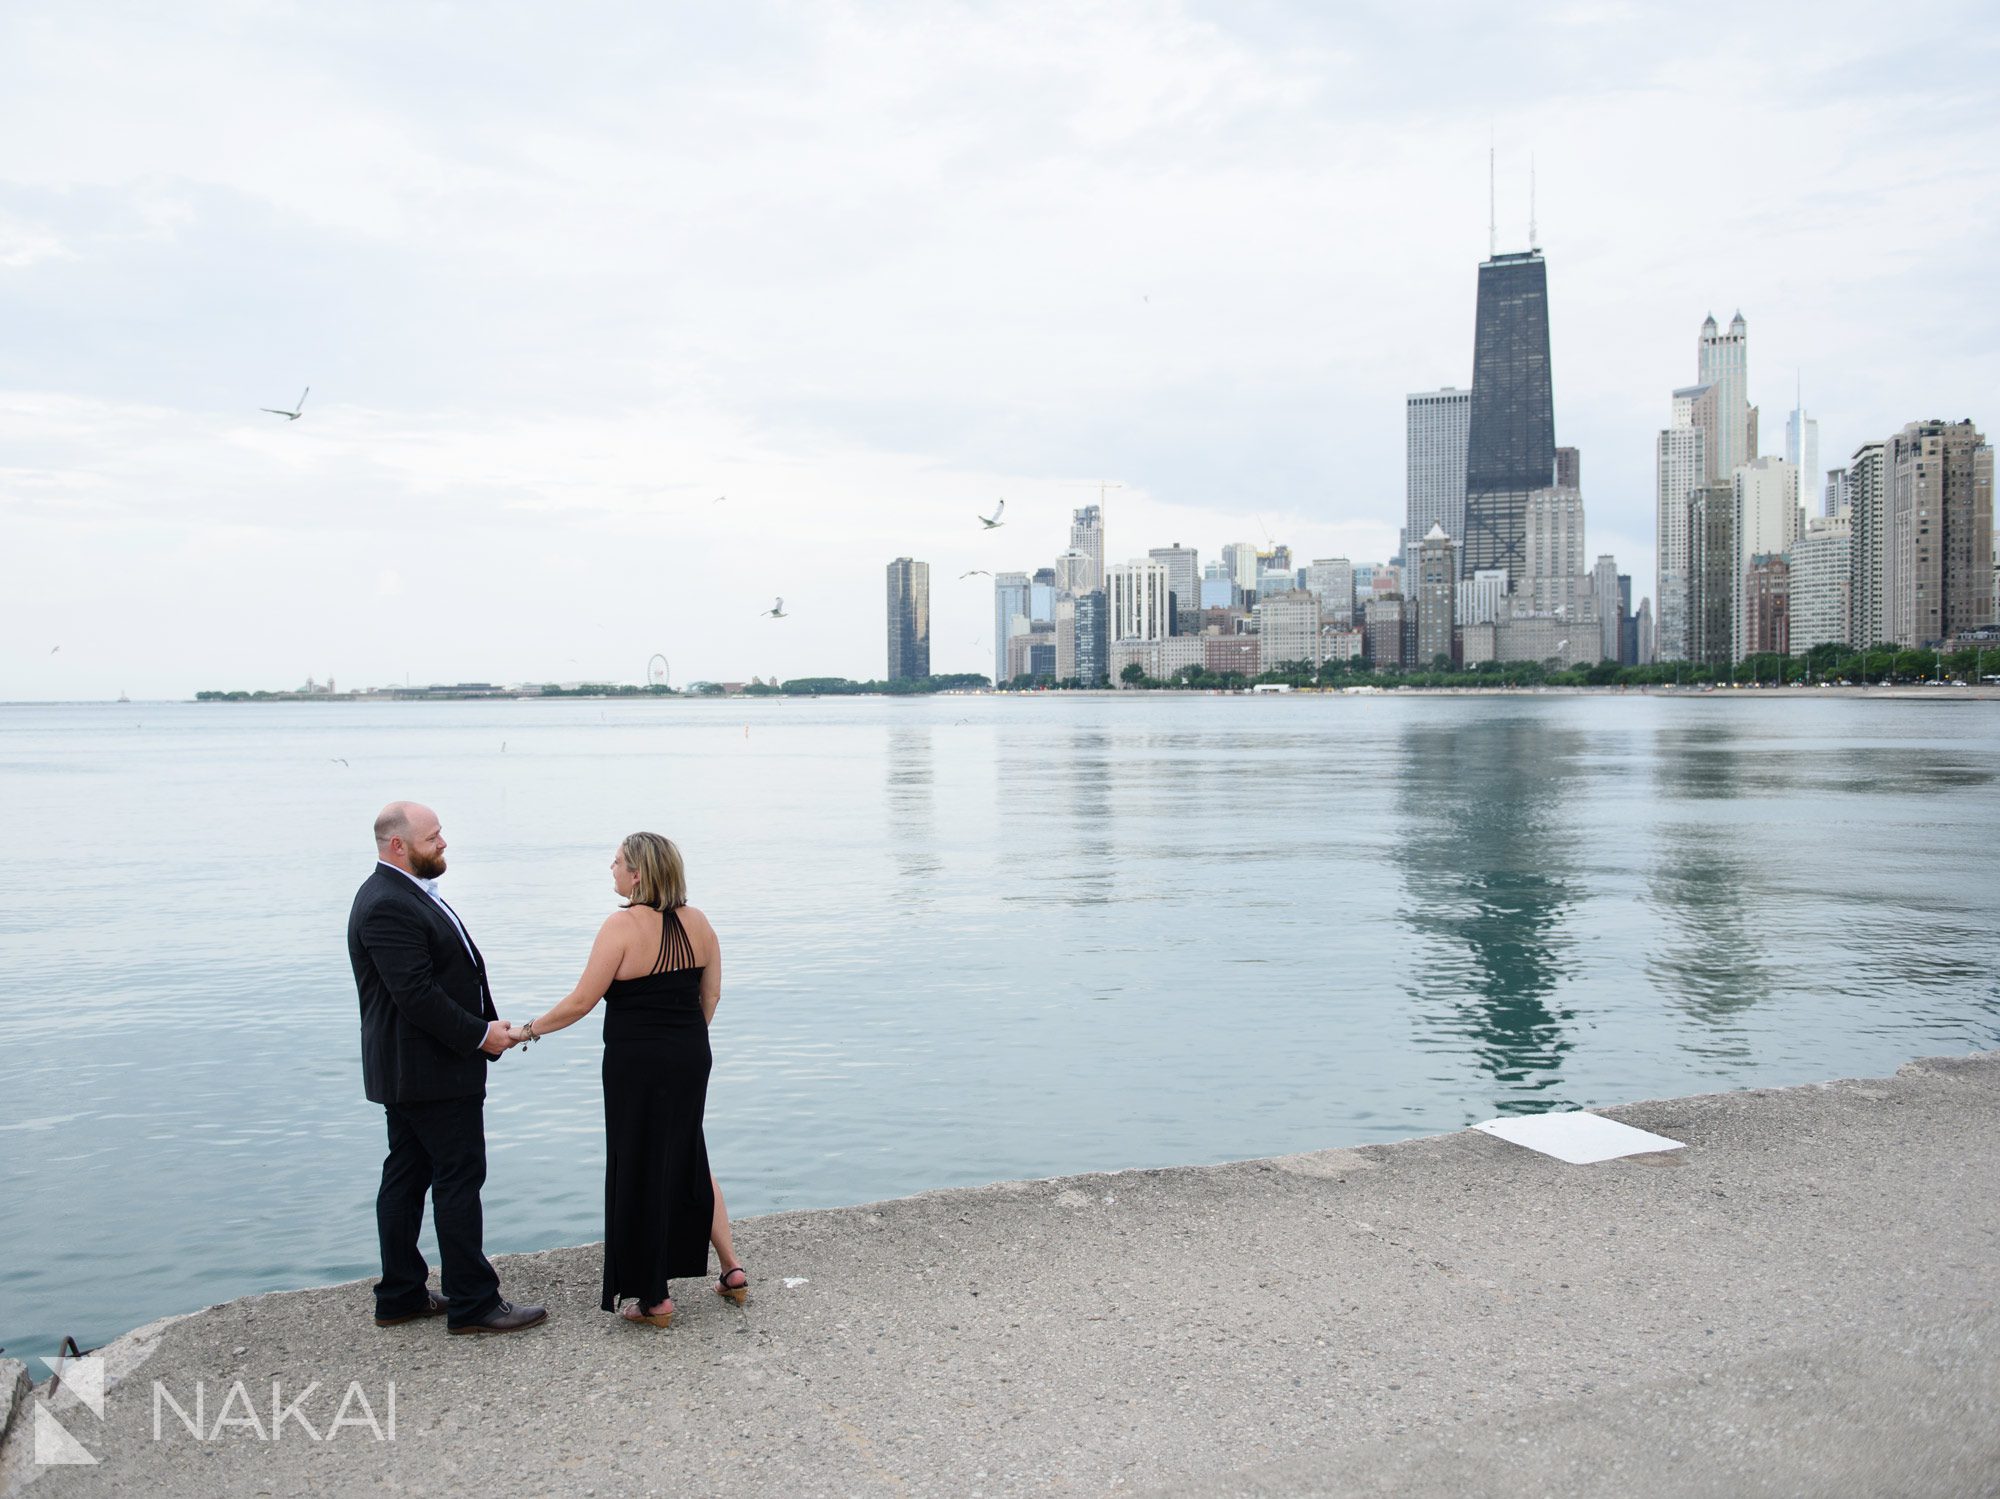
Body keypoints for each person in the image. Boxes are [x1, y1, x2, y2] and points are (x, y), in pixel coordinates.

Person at [511, 833, 746, 1326]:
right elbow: (713, 994)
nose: (611, 868)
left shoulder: (620, 926)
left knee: (638, 1164)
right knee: (687, 1153)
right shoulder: (698, 922)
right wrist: (683, 1042)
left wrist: (528, 1031)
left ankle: (655, 1299)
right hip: (689, 1056)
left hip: (636, 1064)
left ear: (637, 874)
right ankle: (731, 1269)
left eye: (617, 862)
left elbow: (581, 1001)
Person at [347, 802, 547, 1336]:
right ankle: (474, 1302)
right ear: (398, 845)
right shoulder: (388, 903)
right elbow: (416, 995)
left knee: (408, 1176)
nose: (443, 844)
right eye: (433, 838)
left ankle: (401, 1294)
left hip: (413, 1071)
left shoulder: (404, 893)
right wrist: (482, 1034)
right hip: (431, 1071)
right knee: (457, 1178)